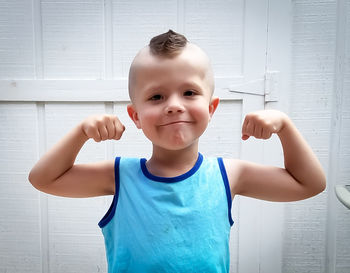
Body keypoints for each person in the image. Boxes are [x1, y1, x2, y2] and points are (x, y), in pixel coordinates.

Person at [28, 30, 326, 273]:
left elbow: (309, 184)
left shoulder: (228, 175)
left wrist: (285, 127)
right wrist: (81, 133)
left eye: (189, 93)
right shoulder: (120, 176)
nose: (174, 104)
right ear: (135, 117)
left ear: (211, 109)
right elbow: (44, 179)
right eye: (156, 96)